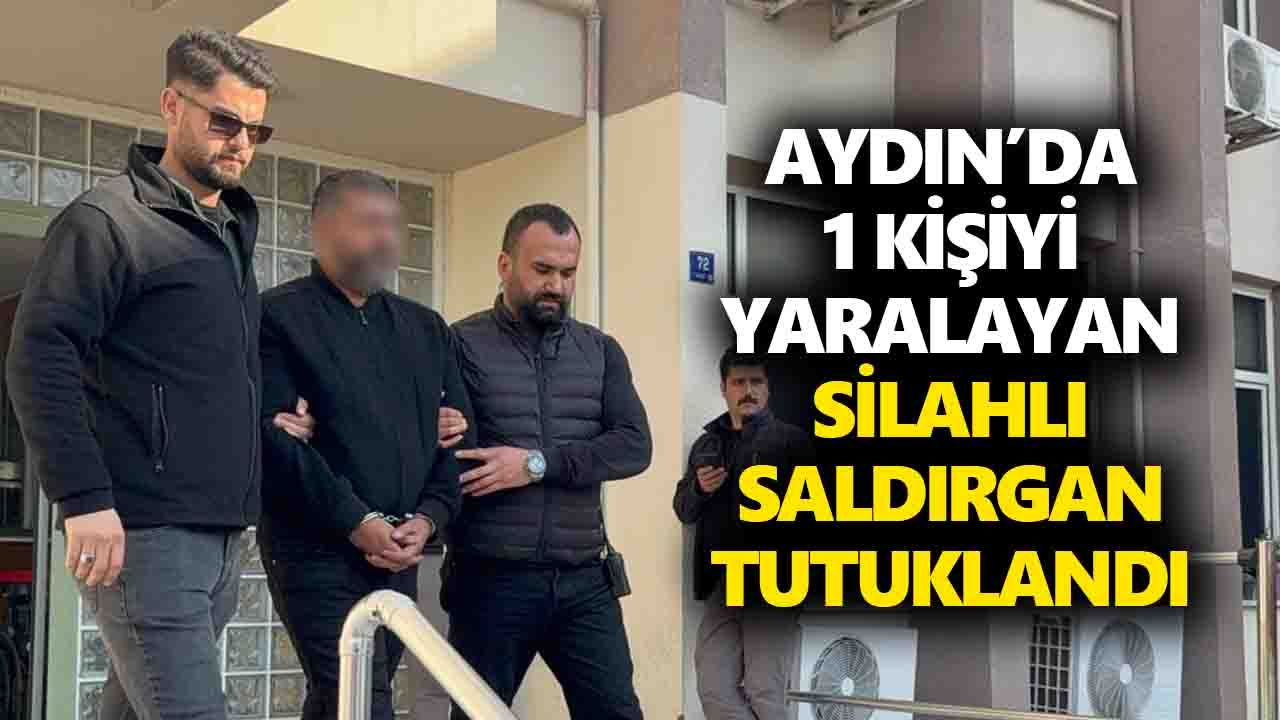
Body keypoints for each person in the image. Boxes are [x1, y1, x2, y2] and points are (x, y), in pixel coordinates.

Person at [5, 29, 282, 720]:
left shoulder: (229, 233)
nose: (241, 143)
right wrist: (83, 498)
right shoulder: (107, 222)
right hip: (144, 530)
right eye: (225, 121)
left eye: (255, 129)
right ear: (171, 105)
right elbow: (39, 355)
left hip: (219, 532)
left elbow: (208, 373)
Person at [258, 170, 468, 720]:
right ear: (320, 230)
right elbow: (276, 444)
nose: (386, 239)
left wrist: (429, 519)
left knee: (341, 700)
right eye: (369, 223)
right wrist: (356, 521)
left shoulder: (426, 329)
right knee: (362, 699)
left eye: (395, 225)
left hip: (402, 548)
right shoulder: (275, 317)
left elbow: (456, 441)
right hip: (314, 550)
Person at [440, 203, 652, 720]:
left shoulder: (600, 351)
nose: (556, 285)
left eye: (568, 272)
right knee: (477, 714)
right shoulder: (457, 344)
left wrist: (536, 464)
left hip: (585, 580)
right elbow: (443, 447)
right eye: (542, 270)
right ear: (504, 265)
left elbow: (633, 445)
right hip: (491, 580)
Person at [673, 349, 813, 720]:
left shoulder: (793, 442)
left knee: (765, 690)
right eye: (739, 382)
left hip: (774, 584)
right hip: (723, 583)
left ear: (768, 388)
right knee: (713, 687)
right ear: (724, 388)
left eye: (756, 382)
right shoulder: (707, 445)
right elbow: (683, 509)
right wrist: (700, 489)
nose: (747, 391)